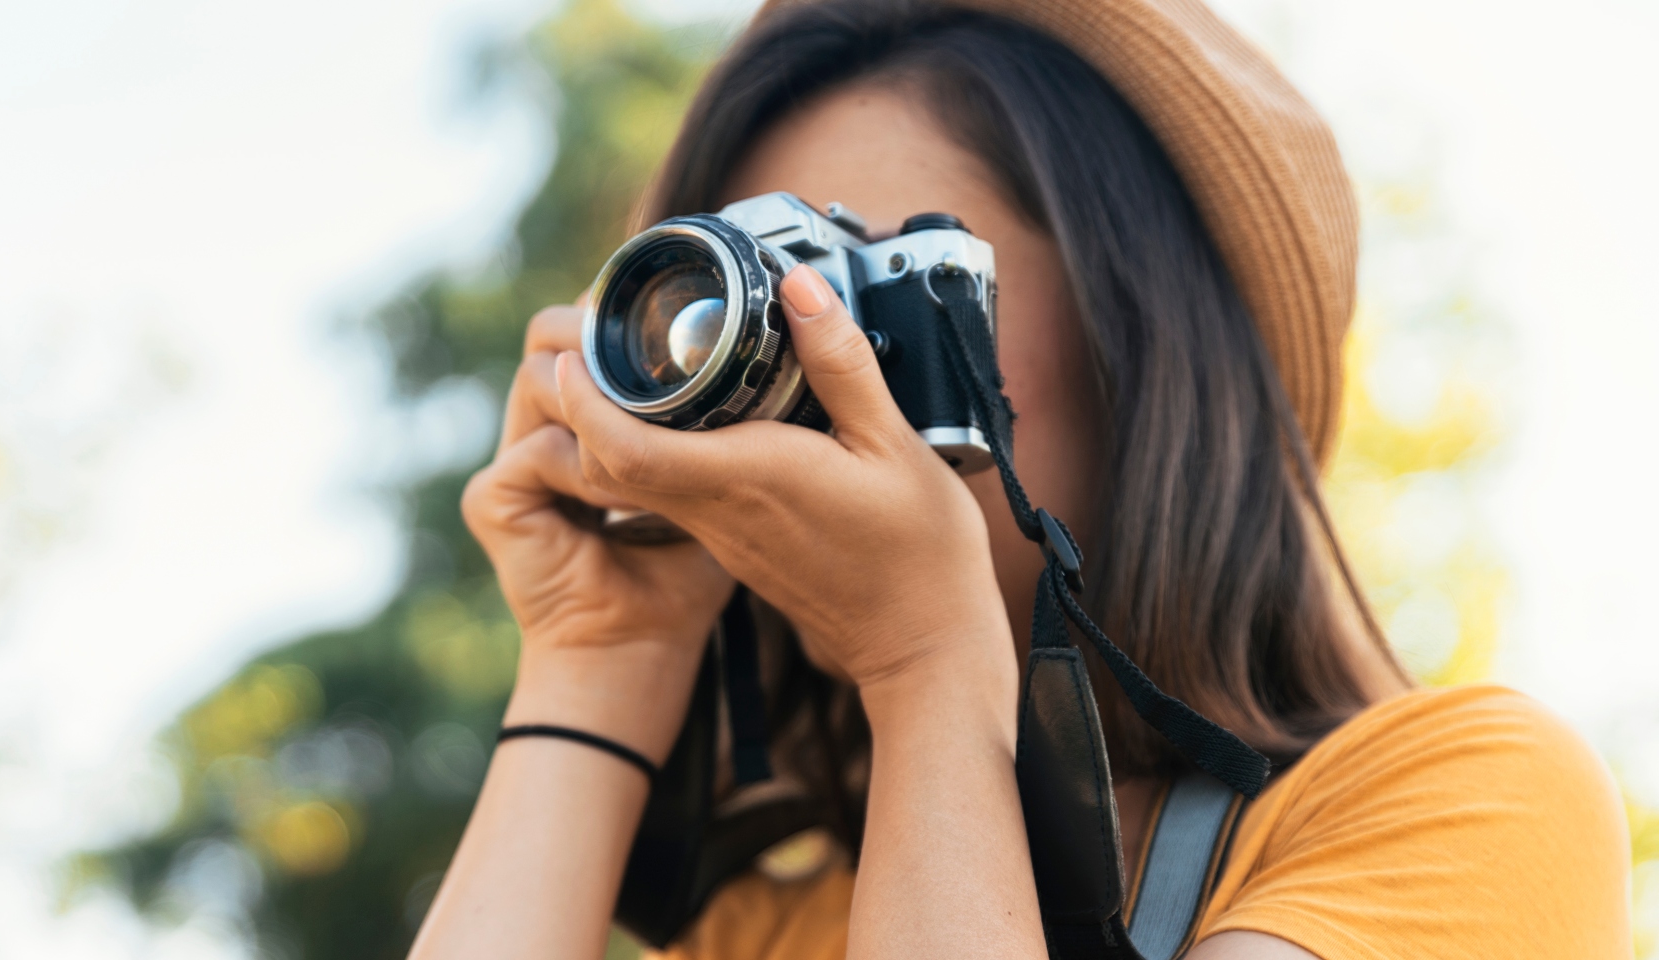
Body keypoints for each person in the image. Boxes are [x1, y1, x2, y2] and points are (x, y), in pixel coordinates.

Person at [407, 0, 1633, 957]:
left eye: (874, 284)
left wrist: (928, 664)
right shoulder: (773, 928)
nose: (819, 365)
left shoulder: (1470, 808)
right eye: (768, 302)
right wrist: (599, 653)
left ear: (1141, 339)